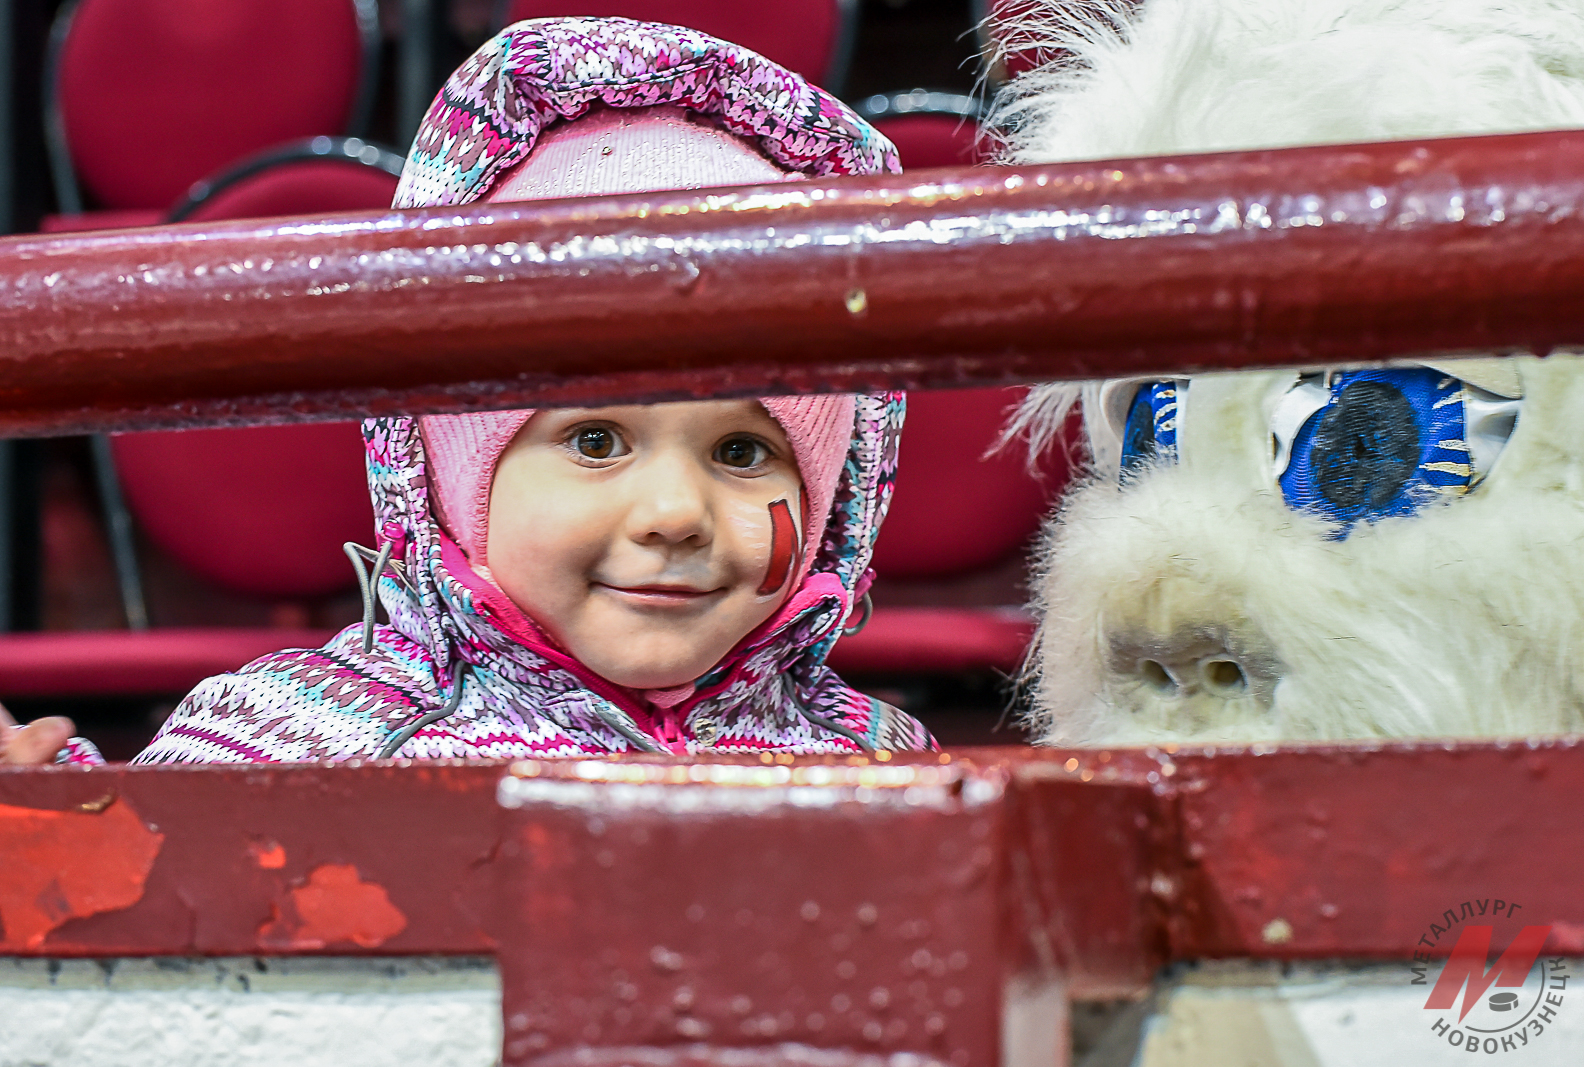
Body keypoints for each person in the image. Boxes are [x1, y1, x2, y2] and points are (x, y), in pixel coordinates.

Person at [7, 17, 929, 763]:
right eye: (596, 439)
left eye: (741, 450)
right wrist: (52, 812)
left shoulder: (884, 763)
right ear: (448, 475)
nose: (675, 512)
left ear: (832, 490)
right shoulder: (294, 748)